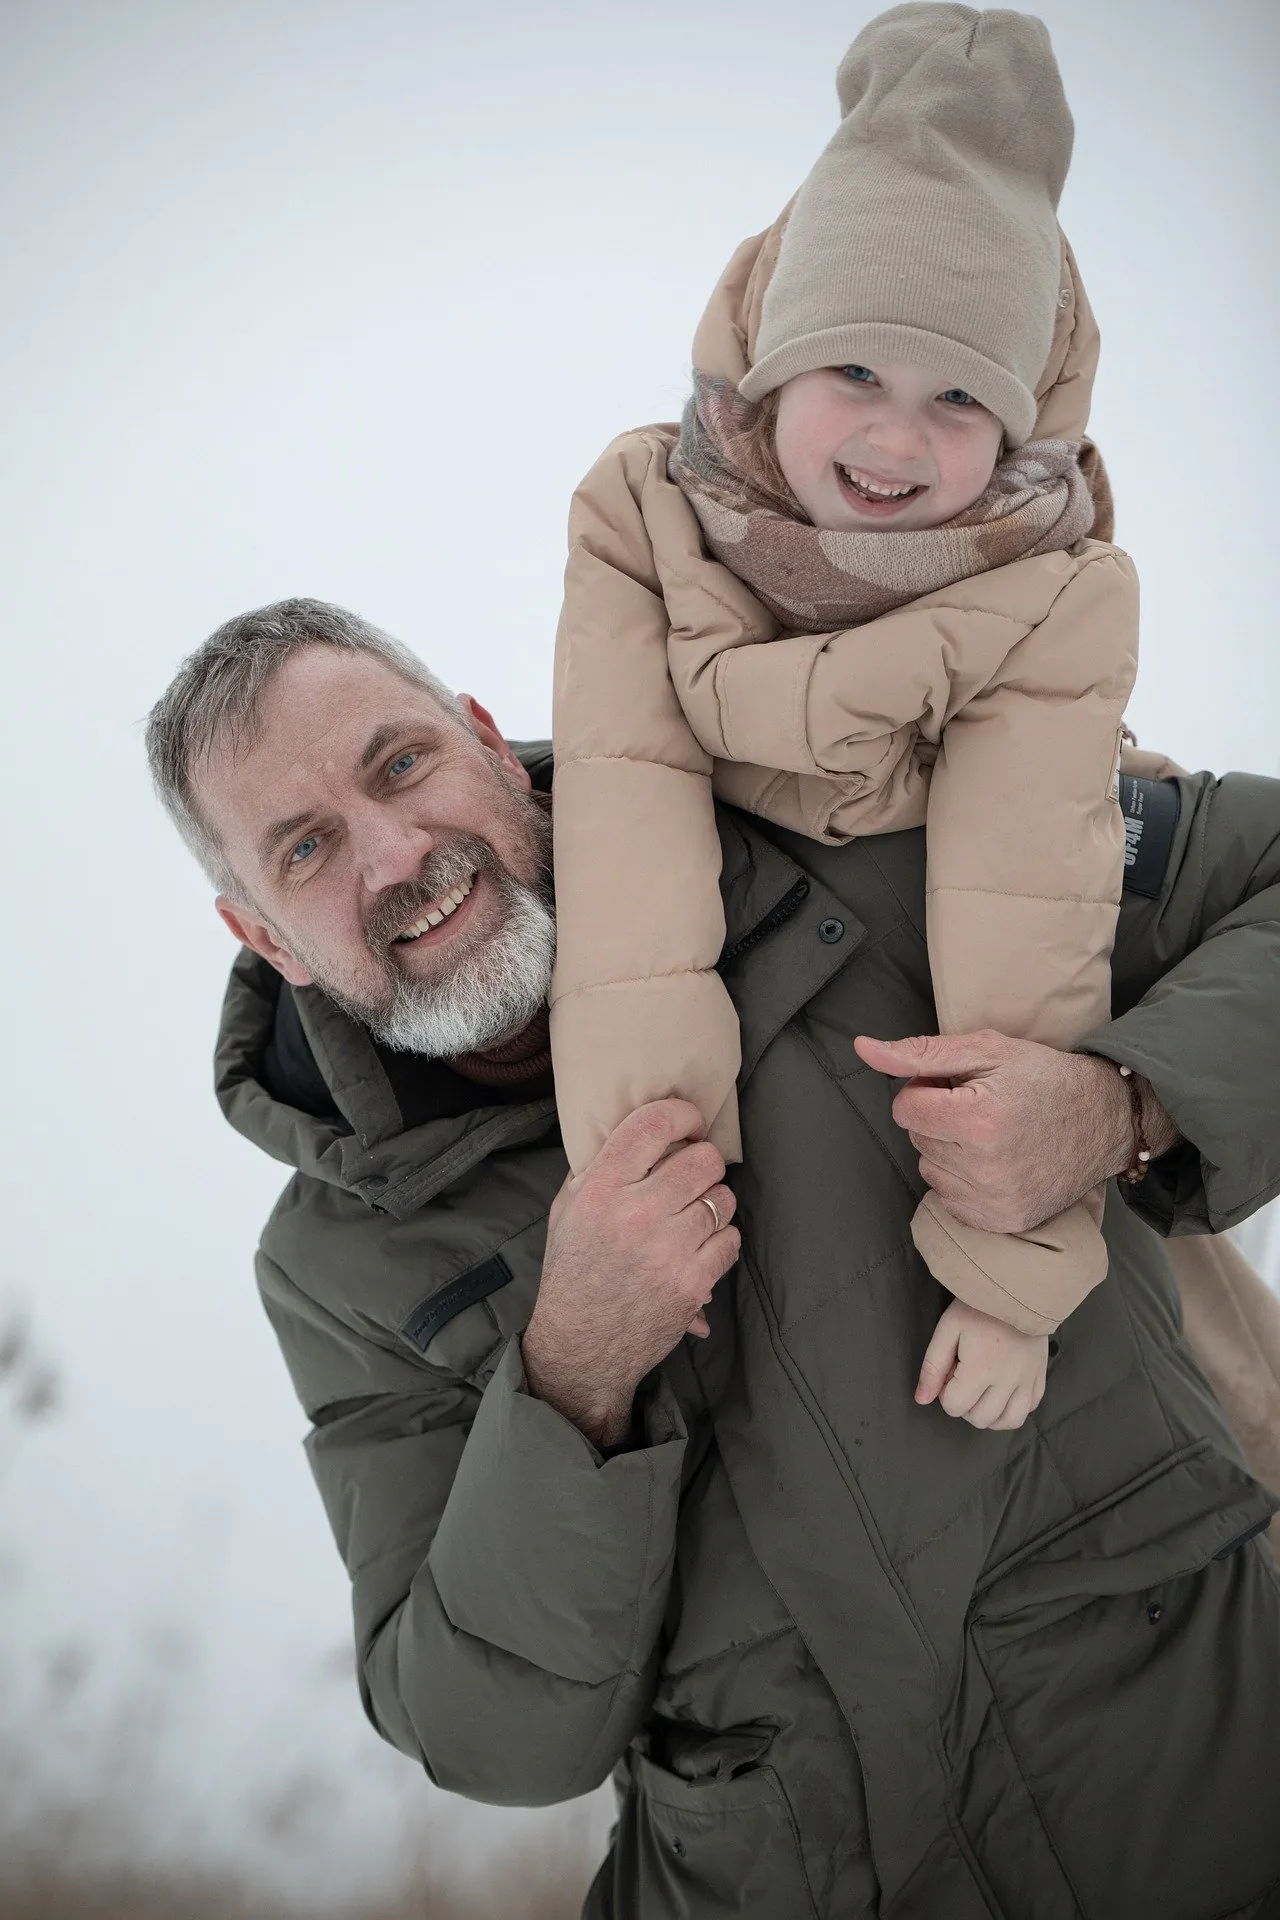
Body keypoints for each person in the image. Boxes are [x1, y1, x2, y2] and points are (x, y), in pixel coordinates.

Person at [146, 599, 1280, 1918]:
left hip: (1207, 1796)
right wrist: (571, 1374)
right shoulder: (337, 1267)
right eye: (305, 847)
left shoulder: (843, 831)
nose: (396, 855)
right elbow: (489, 1735)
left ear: (489, 742)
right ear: (265, 938)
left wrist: (1121, 1104)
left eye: (400, 765)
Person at [552, 4, 1139, 1431]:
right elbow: (628, 878)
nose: (894, 438)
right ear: (771, 362)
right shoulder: (645, 514)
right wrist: (658, 1201)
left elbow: (1027, 900)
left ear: (1018, 431)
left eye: (960, 398)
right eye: (855, 371)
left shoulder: (1054, 587)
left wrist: (1014, 1261)